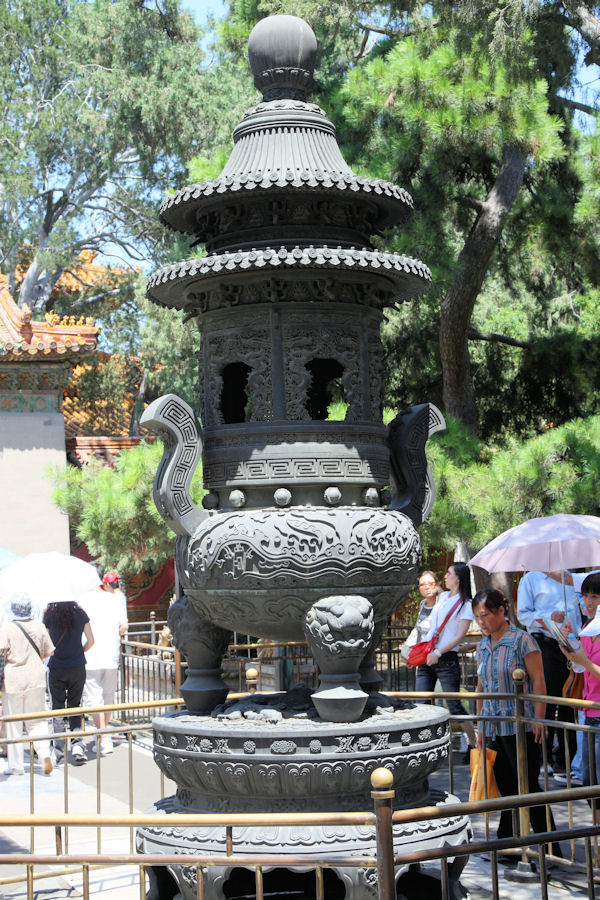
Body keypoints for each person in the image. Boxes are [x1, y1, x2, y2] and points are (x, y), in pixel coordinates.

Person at [473, 588, 561, 853]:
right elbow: (480, 686)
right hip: (493, 724)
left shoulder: (522, 640)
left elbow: (539, 681)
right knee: (506, 787)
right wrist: (479, 727)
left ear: (502, 610)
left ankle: (549, 847)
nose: (481, 621)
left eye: (485, 615)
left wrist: (539, 719)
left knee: (528, 785)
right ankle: (509, 844)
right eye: (477, 617)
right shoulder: (482, 645)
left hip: (518, 724)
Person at [516, 570, 581, 775]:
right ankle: (542, 757)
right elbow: (523, 614)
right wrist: (548, 617)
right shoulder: (531, 578)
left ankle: (566, 760)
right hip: (546, 642)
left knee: (570, 701)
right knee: (548, 698)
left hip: (572, 645)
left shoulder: (570, 578)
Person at [415, 561, 477, 755]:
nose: (446, 576)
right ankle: (423, 746)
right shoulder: (442, 597)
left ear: (458, 577)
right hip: (428, 655)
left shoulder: (465, 604)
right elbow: (433, 625)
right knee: (421, 702)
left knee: (455, 705)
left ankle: (475, 744)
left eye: (449, 573)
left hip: (445, 657)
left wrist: (439, 652)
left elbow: (459, 635)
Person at [559, 572, 600, 822]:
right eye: (585, 595)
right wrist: (568, 644)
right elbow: (580, 669)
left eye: (595, 596)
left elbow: (586, 664)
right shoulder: (586, 629)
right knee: (590, 783)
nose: (589, 601)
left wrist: (581, 659)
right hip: (589, 712)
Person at [0, 596, 54, 776]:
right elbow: (49, 651)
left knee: (13, 722)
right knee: (37, 720)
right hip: (36, 677)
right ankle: (44, 754)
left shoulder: (7, 628)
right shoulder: (39, 626)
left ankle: (16, 766)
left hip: (14, 680)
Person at [79, 570, 128, 755]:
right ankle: (104, 735)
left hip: (91, 653)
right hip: (111, 652)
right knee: (108, 696)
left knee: (94, 698)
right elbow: (124, 626)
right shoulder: (117, 598)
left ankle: (103, 736)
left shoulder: (83, 599)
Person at [43, 600, 94, 766]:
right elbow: (91, 640)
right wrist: (79, 652)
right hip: (78, 666)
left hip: (57, 666)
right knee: (75, 705)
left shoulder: (50, 615)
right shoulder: (80, 614)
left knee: (57, 708)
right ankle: (77, 745)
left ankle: (58, 750)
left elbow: (46, 643)